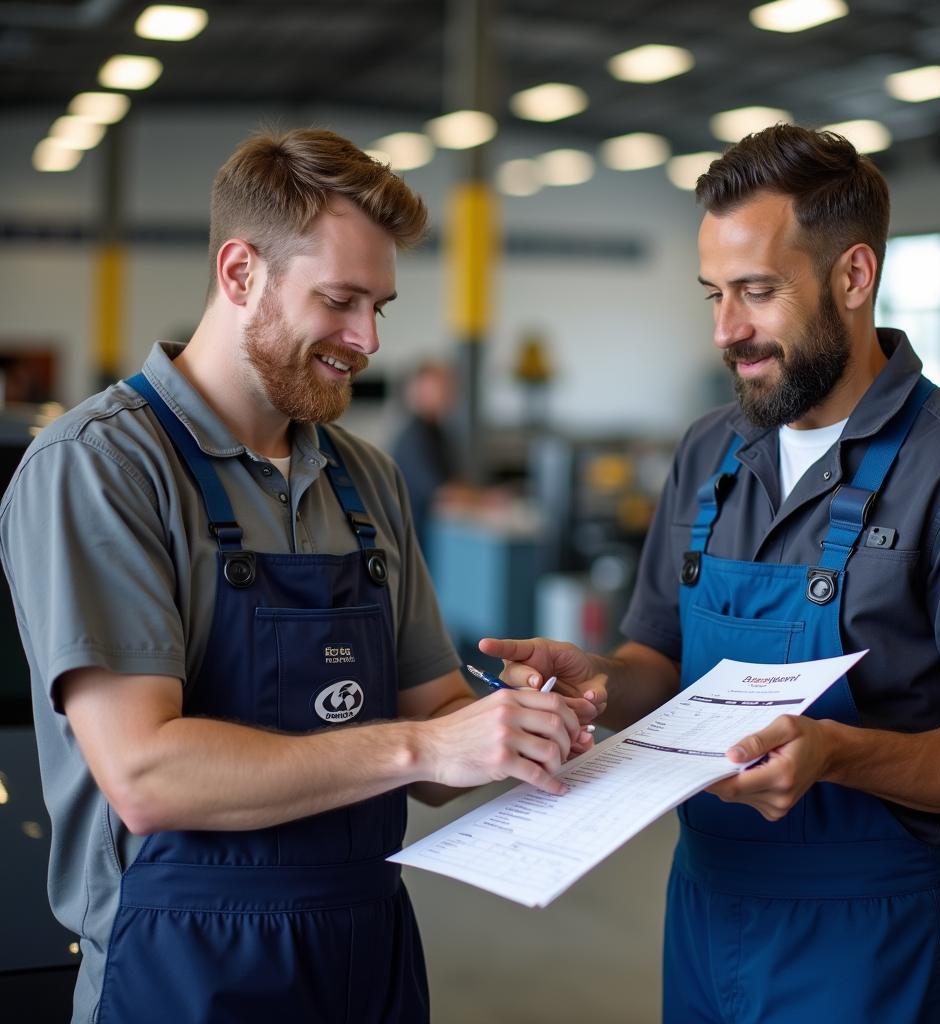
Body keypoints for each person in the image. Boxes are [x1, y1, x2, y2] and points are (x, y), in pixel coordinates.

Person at [0, 128, 595, 1024]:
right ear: (240, 273)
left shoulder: (365, 477)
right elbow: (148, 775)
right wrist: (426, 746)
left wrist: (517, 726)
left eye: (379, 307)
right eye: (341, 300)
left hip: (366, 961)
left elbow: (433, 734)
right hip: (185, 977)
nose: (366, 340)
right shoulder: (101, 466)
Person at [482, 124, 940, 1024]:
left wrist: (843, 757)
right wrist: (600, 680)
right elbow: (660, 657)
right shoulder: (710, 450)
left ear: (854, 277)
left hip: (873, 941)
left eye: (758, 292)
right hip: (704, 910)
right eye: (714, 294)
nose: (727, 330)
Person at [390, 360, 460, 546]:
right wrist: (484, 502)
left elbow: (454, 480)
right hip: (412, 542)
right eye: (440, 388)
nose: (448, 394)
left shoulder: (438, 432)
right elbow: (442, 493)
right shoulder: (416, 437)